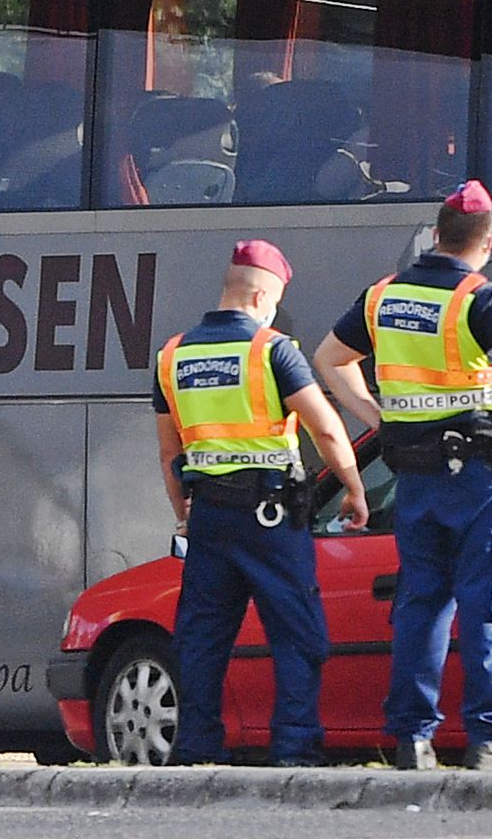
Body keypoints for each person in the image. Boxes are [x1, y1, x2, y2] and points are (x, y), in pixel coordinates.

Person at [315, 184, 492, 774]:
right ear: (488, 242)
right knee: (489, 602)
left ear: (434, 234)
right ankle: (491, 738)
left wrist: (379, 417)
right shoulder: (483, 298)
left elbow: (328, 359)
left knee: (421, 604)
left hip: (416, 476)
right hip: (479, 473)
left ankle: (411, 740)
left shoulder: (381, 298)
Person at [153, 240, 365, 766]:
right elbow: (327, 428)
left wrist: (184, 511)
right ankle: (294, 745)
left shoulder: (173, 354)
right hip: (270, 518)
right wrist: (355, 489)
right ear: (261, 296)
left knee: (202, 637)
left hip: (208, 518)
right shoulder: (270, 350)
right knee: (297, 631)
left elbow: (168, 451)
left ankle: (196, 745)